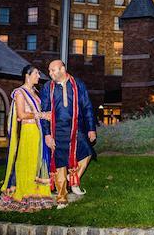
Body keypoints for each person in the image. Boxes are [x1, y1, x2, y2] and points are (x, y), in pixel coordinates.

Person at [0, 65, 55, 212]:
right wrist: (41, 115)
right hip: (28, 132)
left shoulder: (35, 92)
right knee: (26, 161)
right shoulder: (20, 93)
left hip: (37, 132)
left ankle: (37, 192)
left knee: (36, 162)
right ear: (27, 75)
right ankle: (25, 193)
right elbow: (21, 115)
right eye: (36, 74)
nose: (39, 76)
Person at [40, 60, 97, 209]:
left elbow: (87, 107)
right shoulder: (47, 87)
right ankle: (62, 198)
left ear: (63, 69)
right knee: (60, 163)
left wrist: (91, 128)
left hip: (76, 128)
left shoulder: (78, 84)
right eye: (49, 71)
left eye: (53, 70)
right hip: (56, 130)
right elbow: (45, 112)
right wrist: (47, 134)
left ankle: (73, 180)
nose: (50, 73)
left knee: (87, 153)